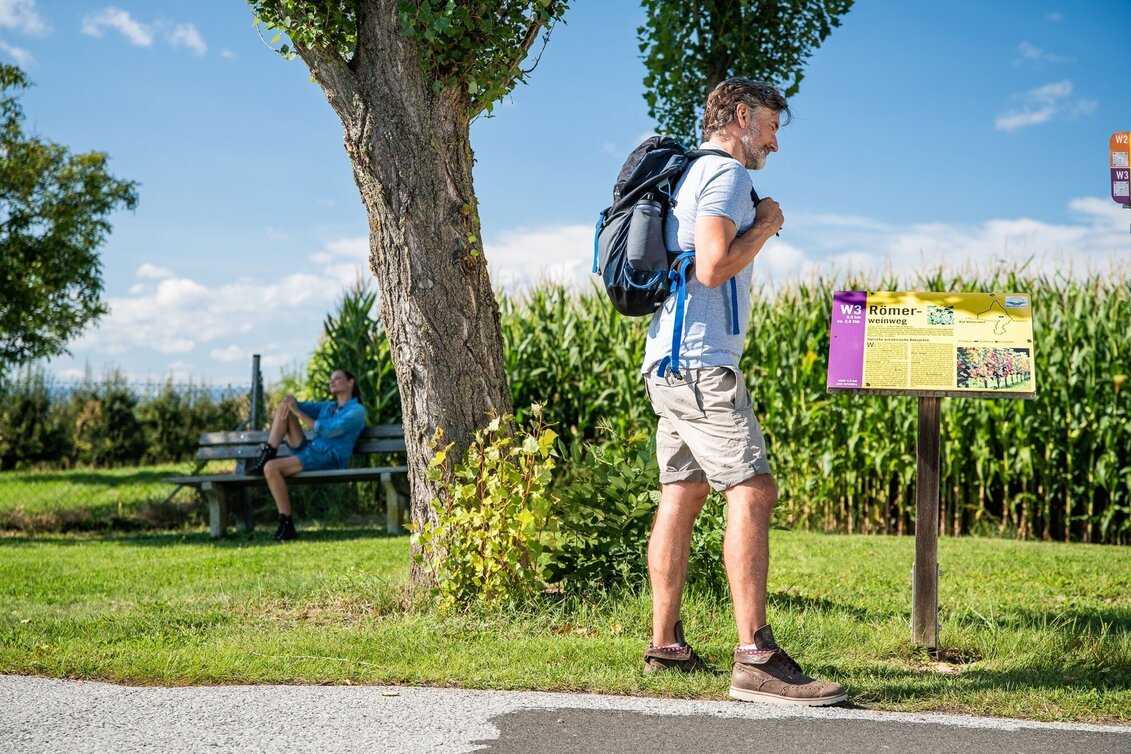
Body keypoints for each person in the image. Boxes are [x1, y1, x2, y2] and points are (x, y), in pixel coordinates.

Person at [640, 78, 846, 706]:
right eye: (771, 127)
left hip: (669, 363)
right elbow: (711, 266)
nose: (775, 143)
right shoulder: (725, 174)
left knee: (683, 492)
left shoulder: (691, 174)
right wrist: (767, 225)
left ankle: (666, 644)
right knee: (754, 489)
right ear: (740, 116)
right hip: (702, 366)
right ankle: (756, 658)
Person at [245, 369, 367, 541]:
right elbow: (296, 406)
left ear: (350, 382)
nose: (331, 382)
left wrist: (298, 412)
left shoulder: (356, 411)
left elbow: (328, 430)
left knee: (271, 468)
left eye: (337, 378)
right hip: (312, 452)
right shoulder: (328, 407)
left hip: (330, 457)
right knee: (285, 407)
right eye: (330, 379)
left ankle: (286, 523)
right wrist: (290, 401)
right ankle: (268, 452)